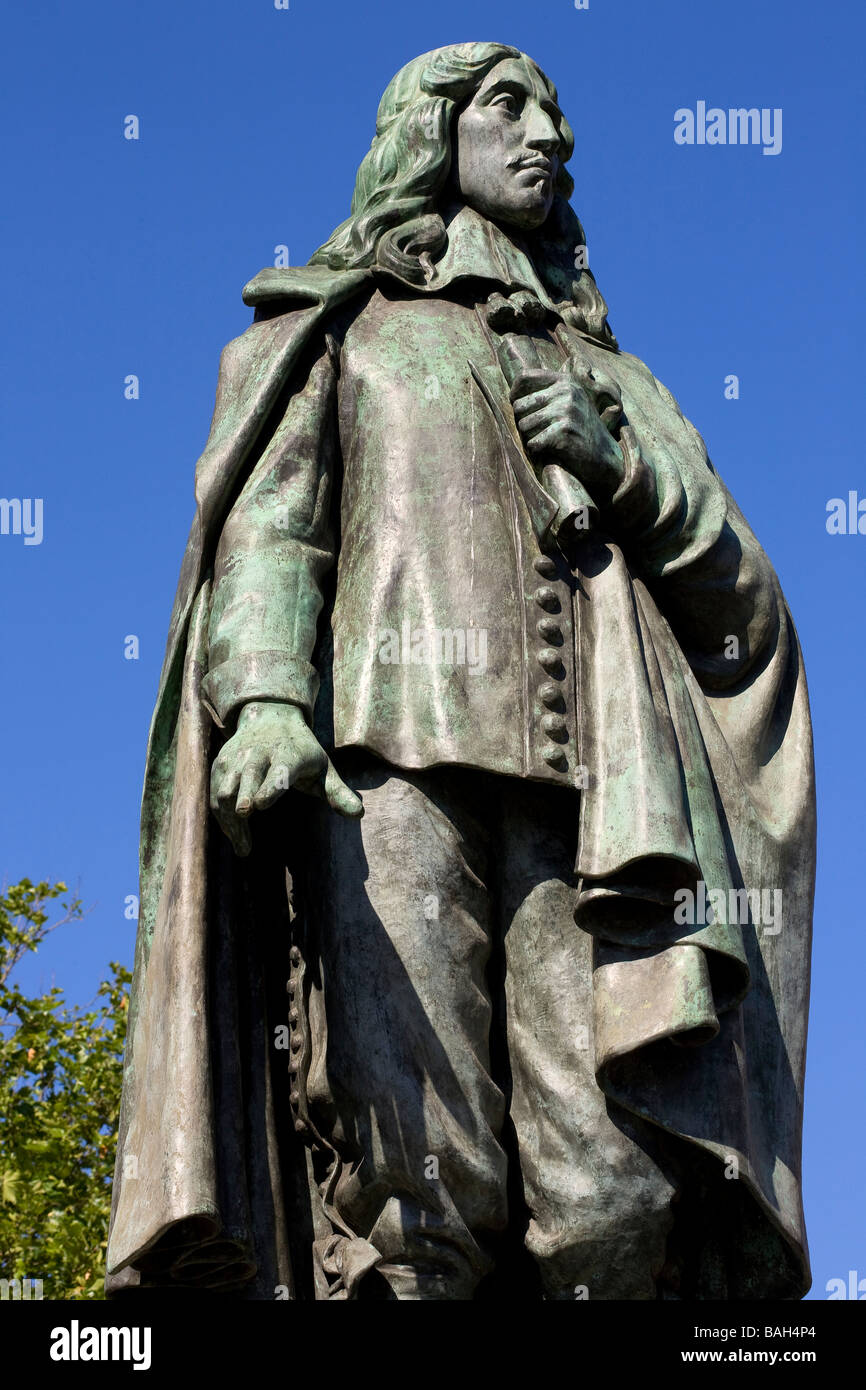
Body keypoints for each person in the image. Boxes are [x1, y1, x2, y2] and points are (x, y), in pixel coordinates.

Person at [107, 42, 815, 1301]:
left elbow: (743, 606)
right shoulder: (339, 325)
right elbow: (272, 526)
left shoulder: (615, 379)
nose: (549, 134)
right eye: (510, 106)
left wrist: (627, 470)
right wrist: (267, 694)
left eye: (556, 115)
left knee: (612, 1188)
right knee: (410, 1169)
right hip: (385, 780)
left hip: (602, 811)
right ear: (431, 133)